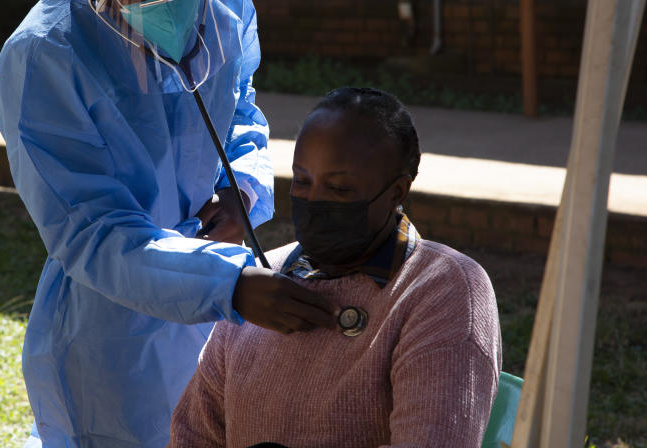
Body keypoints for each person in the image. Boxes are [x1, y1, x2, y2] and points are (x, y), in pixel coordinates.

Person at [0, 0, 338, 448]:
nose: (172, 0)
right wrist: (227, 285)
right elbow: (92, 232)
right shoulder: (46, 57)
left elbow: (240, 111)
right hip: (114, 329)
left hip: (219, 273)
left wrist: (242, 190)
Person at [169, 87, 503, 448]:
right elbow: (192, 436)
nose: (314, 201)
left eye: (340, 189)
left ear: (396, 192)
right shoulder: (259, 287)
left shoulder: (441, 290)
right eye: (301, 181)